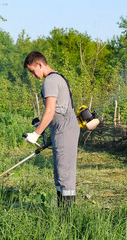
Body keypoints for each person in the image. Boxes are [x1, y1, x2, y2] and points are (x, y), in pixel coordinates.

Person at [23, 51, 80, 207]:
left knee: (65, 175)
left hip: (65, 130)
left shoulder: (50, 81)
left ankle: (67, 219)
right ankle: (62, 216)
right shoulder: (56, 78)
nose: (33, 76)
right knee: (60, 174)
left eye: (33, 71)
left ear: (39, 65)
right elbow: (56, 111)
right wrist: (41, 126)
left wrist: (36, 134)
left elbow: (50, 111)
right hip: (61, 129)